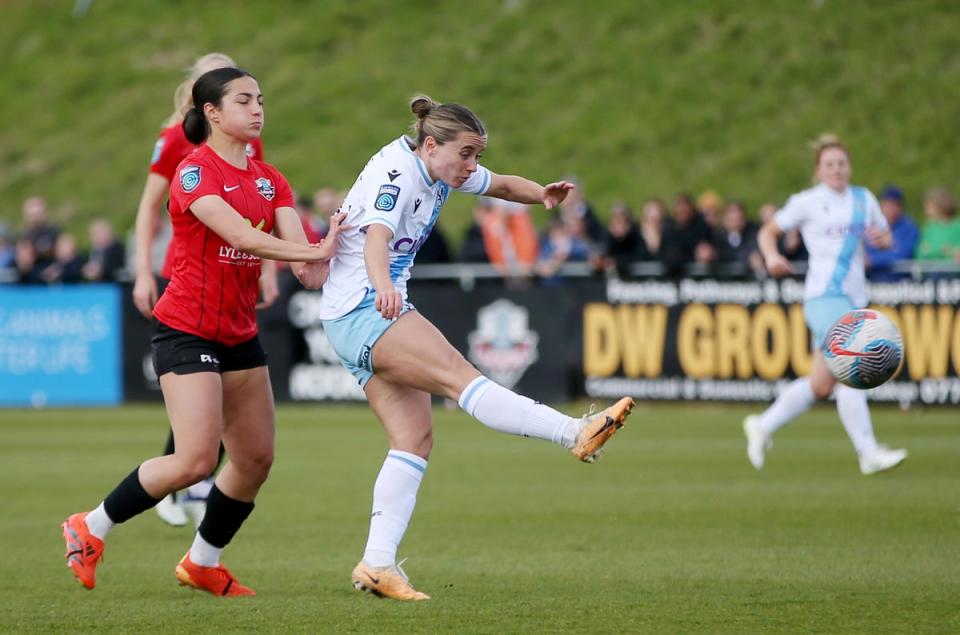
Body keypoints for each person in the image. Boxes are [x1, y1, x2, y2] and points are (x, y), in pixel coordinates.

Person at [318, 95, 634, 601]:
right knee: (460, 376)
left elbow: (504, 184)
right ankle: (574, 432)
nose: (473, 166)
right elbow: (376, 239)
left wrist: (542, 195)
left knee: (414, 439)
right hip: (366, 307)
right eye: (466, 154)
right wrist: (382, 287)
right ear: (430, 145)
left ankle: (377, 563)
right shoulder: (396, 174)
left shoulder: (443, 169)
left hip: (354, 312)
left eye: (477, 154)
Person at [62, 67, 346, 596]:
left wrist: (349, 243)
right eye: (244, 100)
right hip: (186, 330)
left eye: (261, 98)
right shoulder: (194, 172)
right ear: (211, 112)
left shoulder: (271, 178)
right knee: (195, 460)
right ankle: (89, 525)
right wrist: (311, 249)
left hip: (239, 333)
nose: (257, 109)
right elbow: (242, 235)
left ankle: (201, 561)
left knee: (256, 458)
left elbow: (307, 268)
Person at [130, 53, 275, 528]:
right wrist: (144, 270)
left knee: (225, 408)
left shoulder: (247, 144)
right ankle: (185, 479)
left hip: (236, 269)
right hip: (189, 276)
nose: (254, 106)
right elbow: (150, 206)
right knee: (199, 389)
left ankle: (193, 485)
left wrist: (269, 268)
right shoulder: (175, 140)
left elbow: (263, 209)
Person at [744, 135, 907, 476]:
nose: (836, 169)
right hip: (823, 298)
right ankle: (868, 452)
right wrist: (772, 256)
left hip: (854, 301)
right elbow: (767, 232)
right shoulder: (807, 201)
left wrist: (885, 238)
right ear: (818, 170)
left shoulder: (864, 200)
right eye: (829, 164)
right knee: (854, 365)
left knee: (821, 384)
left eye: (842, 163)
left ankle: (762, 425)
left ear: (850, 167)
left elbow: (886, 235)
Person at [865, 185, 919, 281]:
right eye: (887, 204)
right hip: (872, 282)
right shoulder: (872, 224)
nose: (891, 208)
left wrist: (872, 260)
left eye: (895, 204)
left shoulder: (909, 228)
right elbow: (866, 249)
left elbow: (902, 254)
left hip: (900, 284)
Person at [916, 187, 960, 261]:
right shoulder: (929, 228)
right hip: (932, 271)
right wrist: (944, 251)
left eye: (929, 207)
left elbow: (955, 257)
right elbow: (920, 254)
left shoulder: (957, 226)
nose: (926, 211)